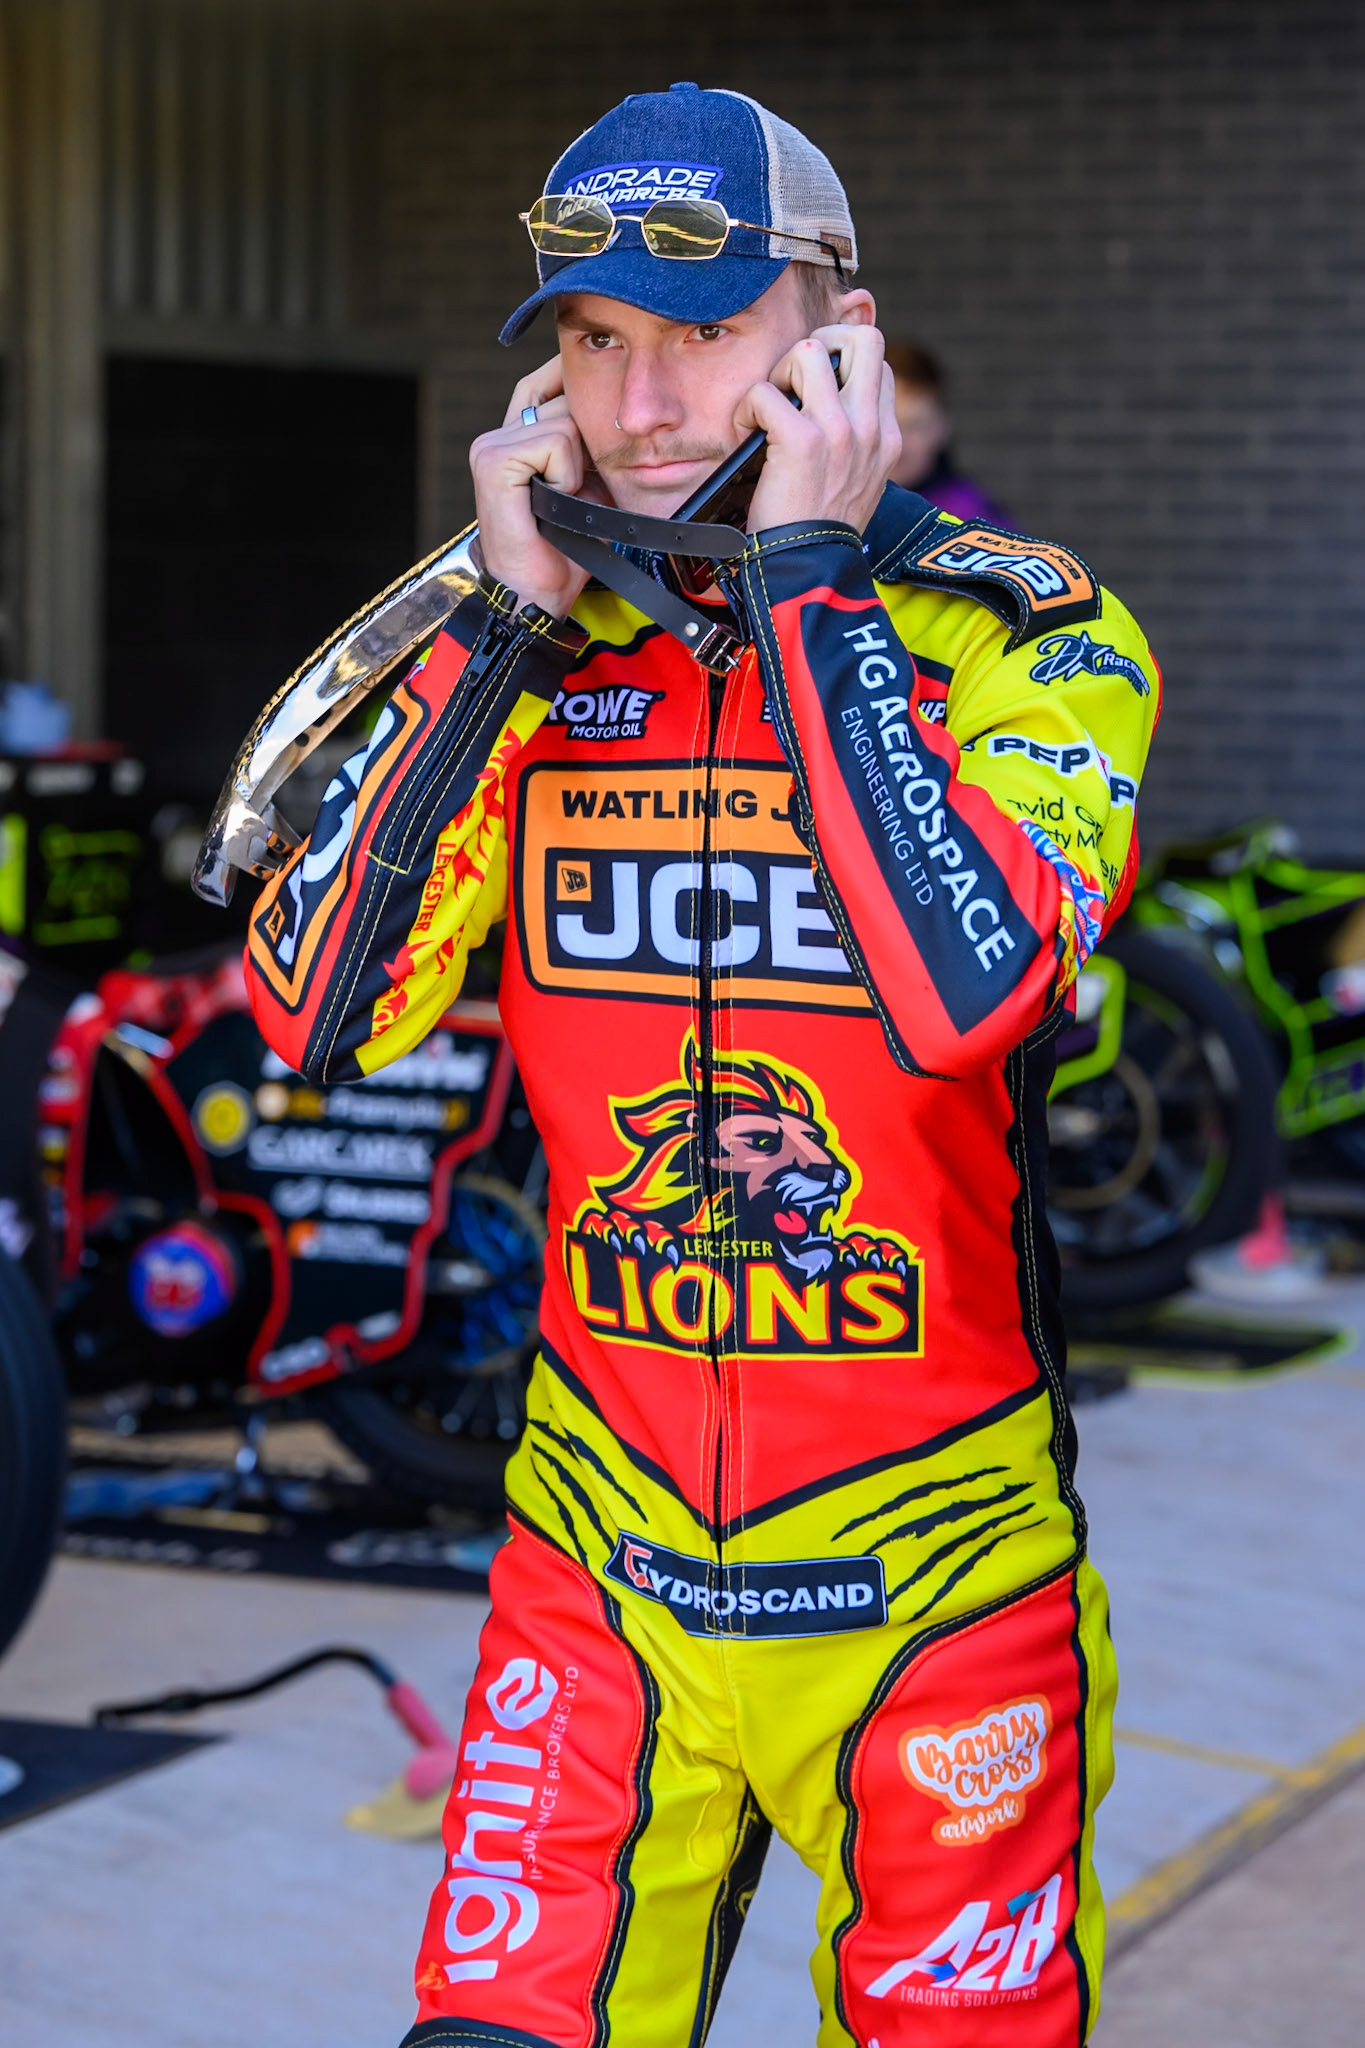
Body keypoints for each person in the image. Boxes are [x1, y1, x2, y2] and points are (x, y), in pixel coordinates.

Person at [244, 83, 1159, 2048]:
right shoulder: (533, 652)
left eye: (704, 328)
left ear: (840, 336)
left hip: (934, 1580)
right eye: (593, 341)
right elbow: (315, 1019)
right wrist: (502, 625)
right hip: (598, 1561)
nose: (642, 403)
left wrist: (812, 582)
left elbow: (969, 993)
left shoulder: (1031, 637)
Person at [887, 340, 1017, 529]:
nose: (899, 441)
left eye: (915, 426)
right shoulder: (843, 508)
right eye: (887, 424)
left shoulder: (972, 519)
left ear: (942, 428)